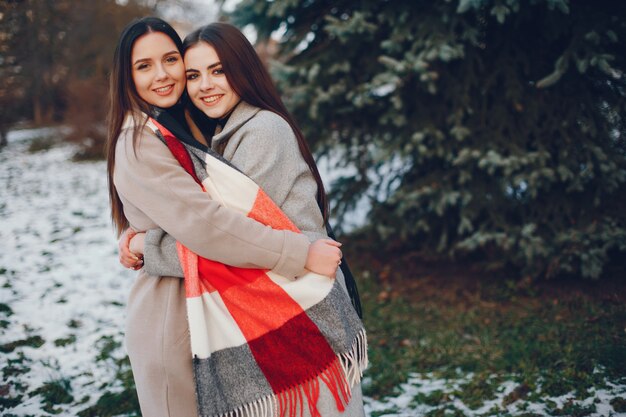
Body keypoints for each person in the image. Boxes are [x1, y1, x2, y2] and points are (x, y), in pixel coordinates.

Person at [119, 22, 367, 417]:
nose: (204, 86)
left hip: (302, 301)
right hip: (284, 299)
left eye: (218, 71)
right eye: (195, 74)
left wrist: (142, 247)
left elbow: (223, 234)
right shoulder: (217, 132)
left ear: (243, 70)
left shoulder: (261, 131)